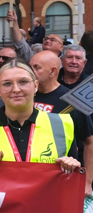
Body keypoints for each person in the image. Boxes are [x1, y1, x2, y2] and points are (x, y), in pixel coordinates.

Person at [0, 61, 79, 173]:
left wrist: (72, 167)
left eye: (23, 82)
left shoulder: (62, 124)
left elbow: (71, 177)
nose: (16, 89)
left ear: (35, 86)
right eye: (7, 84)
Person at [28, 51, 93, 186]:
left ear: (53, 72)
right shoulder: (25, 96)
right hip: (29, 175)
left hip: (62, 177)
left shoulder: (71, 101)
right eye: (29, 67)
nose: (29, 72)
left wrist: (87, 182)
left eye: (36, 67)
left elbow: (89, 142)